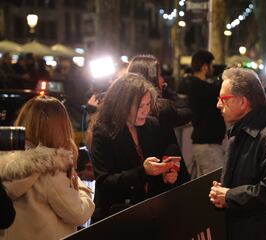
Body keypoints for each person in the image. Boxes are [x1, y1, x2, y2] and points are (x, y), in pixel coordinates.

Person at [209, 67, 266, 240]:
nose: (218, 104)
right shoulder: (241, 132)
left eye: (224, 99)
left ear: (243, 102)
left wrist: (230, 195)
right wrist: (224, 193)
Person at [0, 95, 95, 240]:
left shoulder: (7, 162)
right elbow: (78, 214)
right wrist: (82, 189)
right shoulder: (50, 168)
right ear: (61, 128)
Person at [91, 73, 179, 222]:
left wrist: (167, 175)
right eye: (139, 106)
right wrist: (142, 172)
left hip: (149, 212)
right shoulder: (104, 132)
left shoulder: (151, 125)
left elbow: (157, 166)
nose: (145, 111)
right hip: (116, 216)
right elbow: (104, 183)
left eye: (148, 104)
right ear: (122, 105)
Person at [127, 55, 191, 183]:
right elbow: (188, 112)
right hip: (161, 175)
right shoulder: (162, 106)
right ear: (151, 78)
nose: (162, 79)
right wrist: (166, 91)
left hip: (138, 176)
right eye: (160, 75)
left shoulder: (123, 109)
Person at [184, 50, 226, 178]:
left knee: (206, 185)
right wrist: (223, 77)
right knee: (216, 181)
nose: (213, 69)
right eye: (211, 65)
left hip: (207, 143)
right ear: (205, 67)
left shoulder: (197, 86)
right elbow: (215, 90)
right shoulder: (198, 86)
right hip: (207, 145)